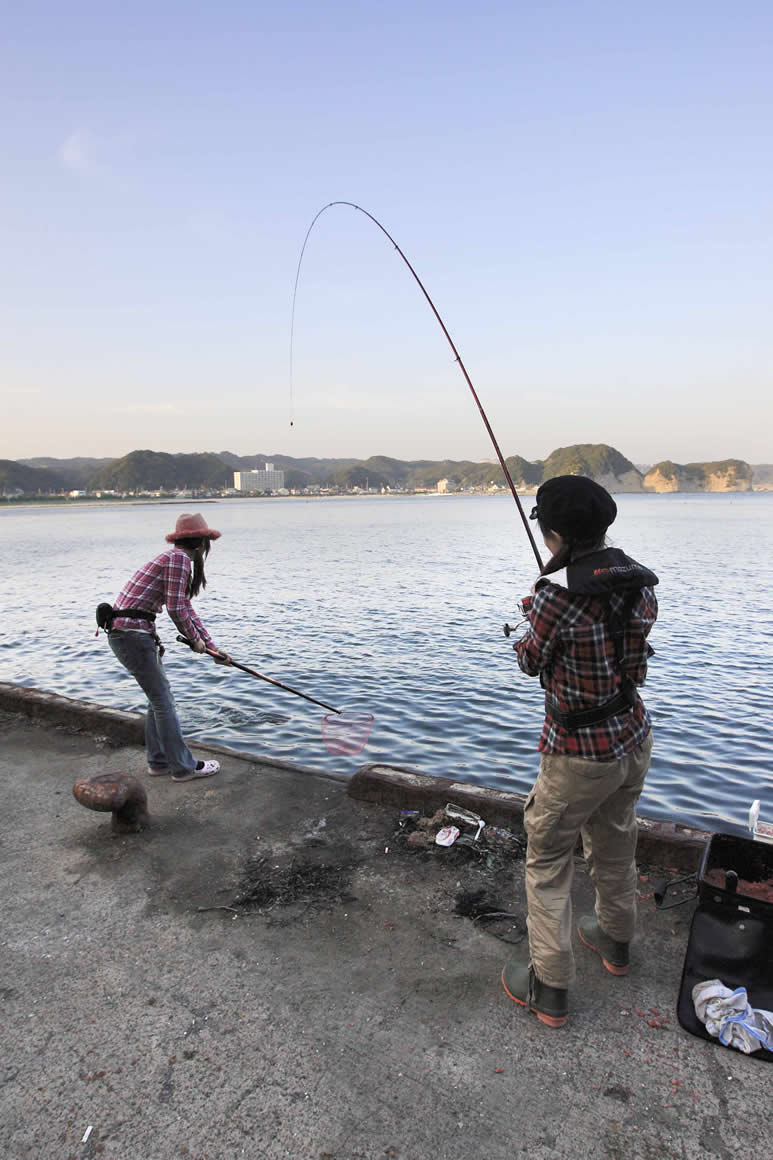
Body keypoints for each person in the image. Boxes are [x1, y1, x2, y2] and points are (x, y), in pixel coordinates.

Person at [501, 476, 658, 1027]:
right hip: (633, 738)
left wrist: (528, 625)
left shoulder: (555, 595)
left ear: (555, 534)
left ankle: (550, 986)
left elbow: (530, 661)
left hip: (577, 753)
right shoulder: (638, 582)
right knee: (615, 842)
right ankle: (615, 942)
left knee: (546, 861)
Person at [100, 512, 231, 782]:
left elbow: (186, 608)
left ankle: (158, 762)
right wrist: (194, 640)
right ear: (202, 541)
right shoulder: (179, 560)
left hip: (130, 634)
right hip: (131, 635)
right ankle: (183, 768)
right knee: (163, 701)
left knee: (157, 698)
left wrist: (211, 647)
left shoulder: (173, 558)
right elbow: (176, 609)